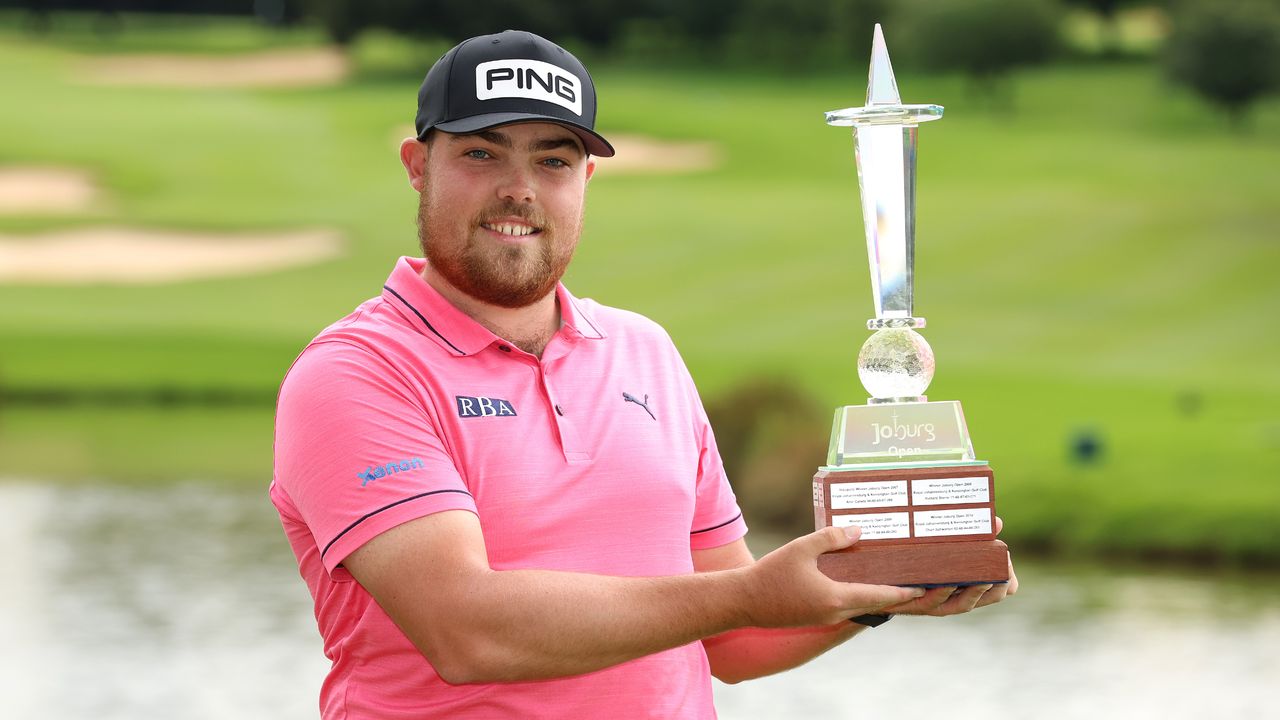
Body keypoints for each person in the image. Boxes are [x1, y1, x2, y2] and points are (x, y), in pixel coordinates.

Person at [271, 29, 1016, 719]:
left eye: (553, 160)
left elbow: (733, 640)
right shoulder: (356, 373)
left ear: (585, 177)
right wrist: (748, 594)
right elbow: (468, 632)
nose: (519, 189)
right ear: (416, 165)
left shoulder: (643, 351)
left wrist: (885, 584)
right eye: (482, 153)